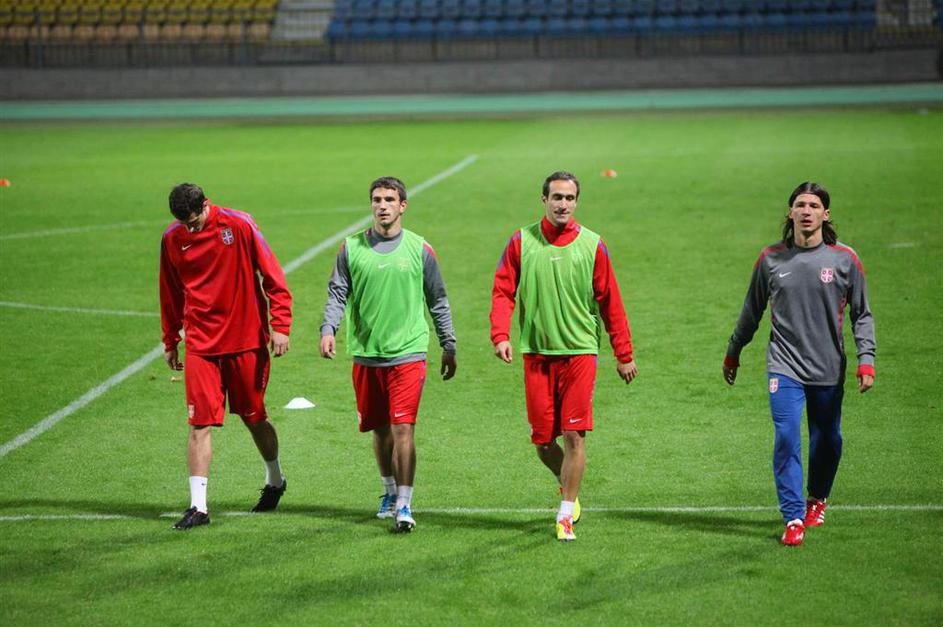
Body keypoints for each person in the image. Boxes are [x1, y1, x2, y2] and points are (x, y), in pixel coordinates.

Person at [723, 181, 876, 547]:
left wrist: (866, 360)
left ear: (826, 214)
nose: (806, 211)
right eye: (800, 205)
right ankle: (793, 517)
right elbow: (751, 311)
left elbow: (862, 314)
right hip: (784, 365)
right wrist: (734, 351)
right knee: (787, 436)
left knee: (828, 438)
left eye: (814, 205)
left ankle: (817, 498)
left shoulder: (844, 259)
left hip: (828, 366)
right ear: (790, 213)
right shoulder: (770, 259)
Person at [490, 171, 638, 542]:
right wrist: (500, 334)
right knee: (543, 441)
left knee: (574, 434)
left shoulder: (592, 244)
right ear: (544, 200)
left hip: (580, 352)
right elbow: (503, 291)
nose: (563, 204)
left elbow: (610, 301)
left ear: (576, 202)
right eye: (556, 197)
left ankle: (565, 513)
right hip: (537, 354)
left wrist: (623, 353)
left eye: (569, 198)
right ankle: (566, 481)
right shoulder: (522, 241)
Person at [319, 176, 457, 533]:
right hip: (367, 354)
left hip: (408, 353)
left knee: (403, 428)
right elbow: (337, 293)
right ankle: (389, 492)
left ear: (402, 206)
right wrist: (328, 329)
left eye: (390, 200)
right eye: (377, 200)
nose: (383, 206)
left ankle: (405, 504)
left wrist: (448, 343)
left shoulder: (419, 249)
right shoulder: (351, 248)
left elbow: (437, 299)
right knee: (380, 431)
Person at [160, 183, 292, 530]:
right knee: (198, 423)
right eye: (184, 224)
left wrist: (281, 324)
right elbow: (170, 291)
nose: (190, 229)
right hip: (201, 344)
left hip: (245, 340)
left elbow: (272, 275)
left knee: (253, 417)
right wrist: (170, 338)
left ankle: (275, 479)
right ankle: (198, 507)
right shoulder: (172, 238)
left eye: (194, 222)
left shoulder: (239, 224)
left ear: (206, 204)